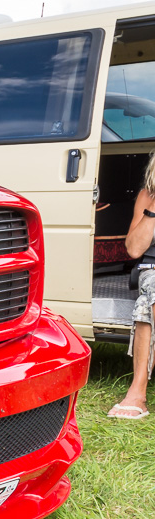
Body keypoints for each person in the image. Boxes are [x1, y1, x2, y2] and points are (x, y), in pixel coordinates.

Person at [112, 153, 155, 420]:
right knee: (151, 298)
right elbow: (133, 249)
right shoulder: (147, 196)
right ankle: (137, 391)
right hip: (153, 269)